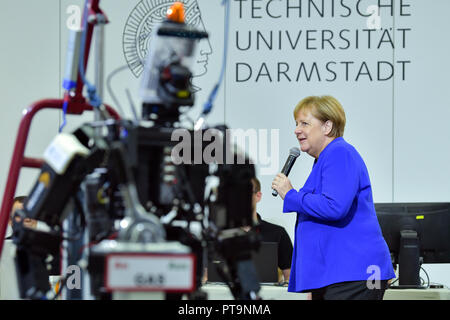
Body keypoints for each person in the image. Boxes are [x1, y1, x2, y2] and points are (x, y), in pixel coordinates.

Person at [271, 95, 395, 300]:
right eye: (296, 124)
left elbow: (334, 206)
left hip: (355, 274)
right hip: (338, 275)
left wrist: (291, 195)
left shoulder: (339, 153)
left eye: (304, 123)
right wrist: (315, 282)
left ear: (327, 126)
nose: (296, 130)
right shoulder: (325, 158)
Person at [243, 177, 293, 284]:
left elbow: (290, 279)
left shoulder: (277, 233)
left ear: (258, 196)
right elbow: (207, 277)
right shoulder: (219, 233)